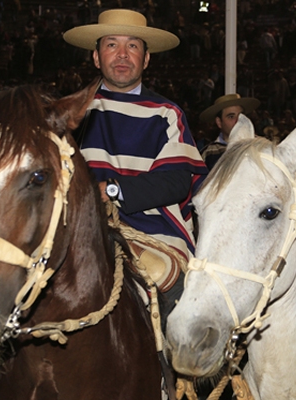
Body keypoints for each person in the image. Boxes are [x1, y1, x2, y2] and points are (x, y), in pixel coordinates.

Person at [63, 9, 208, 315]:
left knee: (181, 307)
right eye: (112, 45)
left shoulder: (167, 113)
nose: (122, 54)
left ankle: (174, 363)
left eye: (133, 46)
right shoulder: (72, 112)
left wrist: (113, 190)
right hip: (79, 227)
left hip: (152, 233)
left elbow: (177, 182)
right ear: (96, 57)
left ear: (145, 59)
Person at [198, 93, 260, 170]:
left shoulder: (258, 147)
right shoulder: (208, 154)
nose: (238, 121)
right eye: (231, 116)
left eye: (241, 115)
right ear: (219, 122)